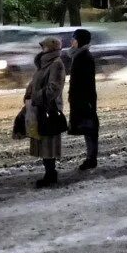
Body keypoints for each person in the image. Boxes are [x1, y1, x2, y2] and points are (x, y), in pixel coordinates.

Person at [25, 36, 67, 187]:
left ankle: (51, 174)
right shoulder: (44, 63)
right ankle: (49, 172)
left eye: (45, 46)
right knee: (43, 142)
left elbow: (54, 88)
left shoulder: (56, 64)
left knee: (49, 143)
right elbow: (35, 82)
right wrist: (29, 94)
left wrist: (36, 97)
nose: (43, 49)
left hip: (50, 108)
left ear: (51, 48)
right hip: (40, 107)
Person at [67, 28, 99, 170]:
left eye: (74, 39)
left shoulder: (84, 57)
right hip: (81, 98)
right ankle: (90, 157)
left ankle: (91, 159)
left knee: (90, 129)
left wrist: (86, 101)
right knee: (88, 128)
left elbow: (86, 82)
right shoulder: (79, 55)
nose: (71, 41)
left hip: (85, 99)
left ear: (80, 41)